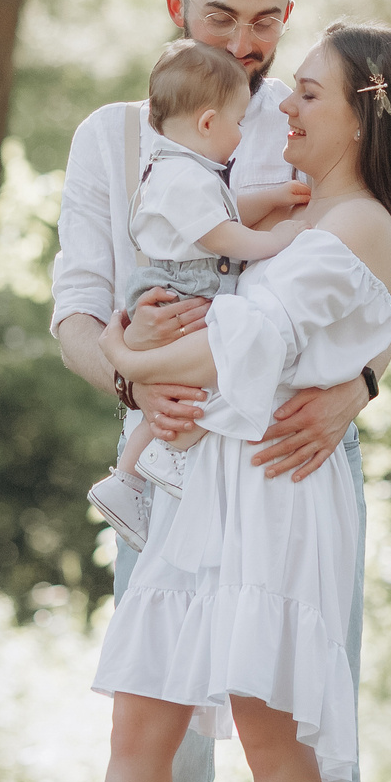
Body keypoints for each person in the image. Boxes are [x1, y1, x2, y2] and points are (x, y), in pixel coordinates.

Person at [8, 21, 391, 782]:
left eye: (310, 93)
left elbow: (243, 343)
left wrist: (129, 358)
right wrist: (145, 340)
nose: (286, 104)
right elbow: (204, 309)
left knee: (274, 738)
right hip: (207, 491)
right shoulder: (295, 212)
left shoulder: (362, 224)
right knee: (141, 724)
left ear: (363, 114)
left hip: (277, 493)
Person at [86, 39, 304, 553]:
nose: (241, 134)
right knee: (219, 368)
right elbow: (222, 235)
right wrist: (278, 240)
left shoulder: (182, 169)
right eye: (238, 123)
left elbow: (225, 208)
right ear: (208, 123)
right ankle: (157, 462)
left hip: (182, 286)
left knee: (187, 384)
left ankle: (129, 476)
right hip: (187, 290)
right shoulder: (182, 177)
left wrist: (274, 196)